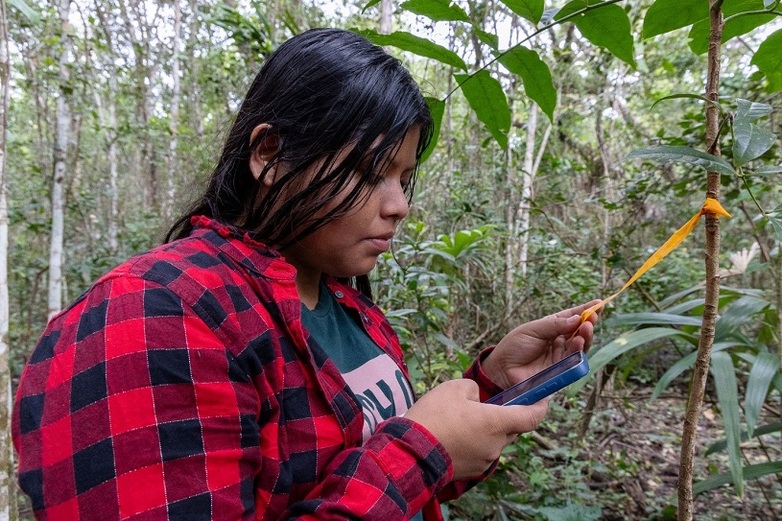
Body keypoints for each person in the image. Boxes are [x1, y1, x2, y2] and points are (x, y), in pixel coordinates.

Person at [12, 28, 599, 520]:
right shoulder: (152, 317)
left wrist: (491, 388)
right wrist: (424, 448)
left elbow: (370, 480)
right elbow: (398, 468)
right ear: (269, 153)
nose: (399, 205)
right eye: (372, 171)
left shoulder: (343, 303)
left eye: (403, 176)